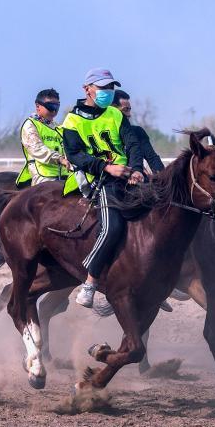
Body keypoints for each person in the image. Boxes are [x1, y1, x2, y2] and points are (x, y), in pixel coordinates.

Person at [62, 68, 144, 308]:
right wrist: (107, 168)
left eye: (111, 88)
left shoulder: (116, 115)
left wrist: (137, 168)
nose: (108, 92)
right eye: (103, 88)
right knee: (113, 226)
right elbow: (75, 155)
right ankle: (90, 283)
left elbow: (132, 144)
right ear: (87, 89)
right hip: (98, 179)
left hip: (127, 174)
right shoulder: (72, 120)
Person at [16, 88, 70, 186]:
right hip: (43, 177)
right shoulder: (30, 125)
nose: (54, 110)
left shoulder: (58, 127)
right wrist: (60, 159)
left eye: (57, 106)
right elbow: (37, 148)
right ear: (38, 106)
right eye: (50, 106)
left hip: (64, 176)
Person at [112, 90, 165, 174]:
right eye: (125, 110)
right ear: (113, 110)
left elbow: (152, 158)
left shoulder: (137, 132)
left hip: (136, 181)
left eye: (129, 110)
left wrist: (164, 178)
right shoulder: (101, 133)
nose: (129, 114)